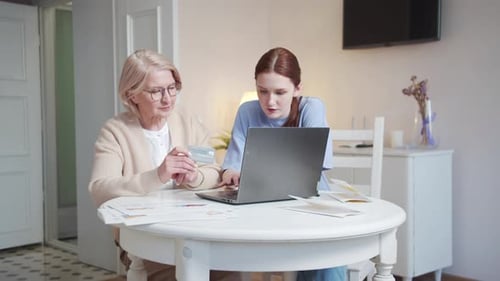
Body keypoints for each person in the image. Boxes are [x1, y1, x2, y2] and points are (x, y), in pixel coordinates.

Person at [88, 49, 240, 281]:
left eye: (171, 88)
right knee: (188, 272)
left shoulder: (187, 121)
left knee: (229, 271)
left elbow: (212, 170)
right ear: (132, 94)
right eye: (156, 91)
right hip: (146, 236)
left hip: (192, 229)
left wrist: (193, 177)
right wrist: (157, 175)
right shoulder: (115, 131)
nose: (168, 98)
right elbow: (100, 189)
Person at [219, 47, 346, 281]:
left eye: (280, 92)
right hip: (259, 208)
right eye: (262, 91)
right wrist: (231, 174)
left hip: (310, 205)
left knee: (325, 255)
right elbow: (231, 167)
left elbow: (315, 166)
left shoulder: (312, 107)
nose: (270, 101)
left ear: (298, 88)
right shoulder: (247, 111)